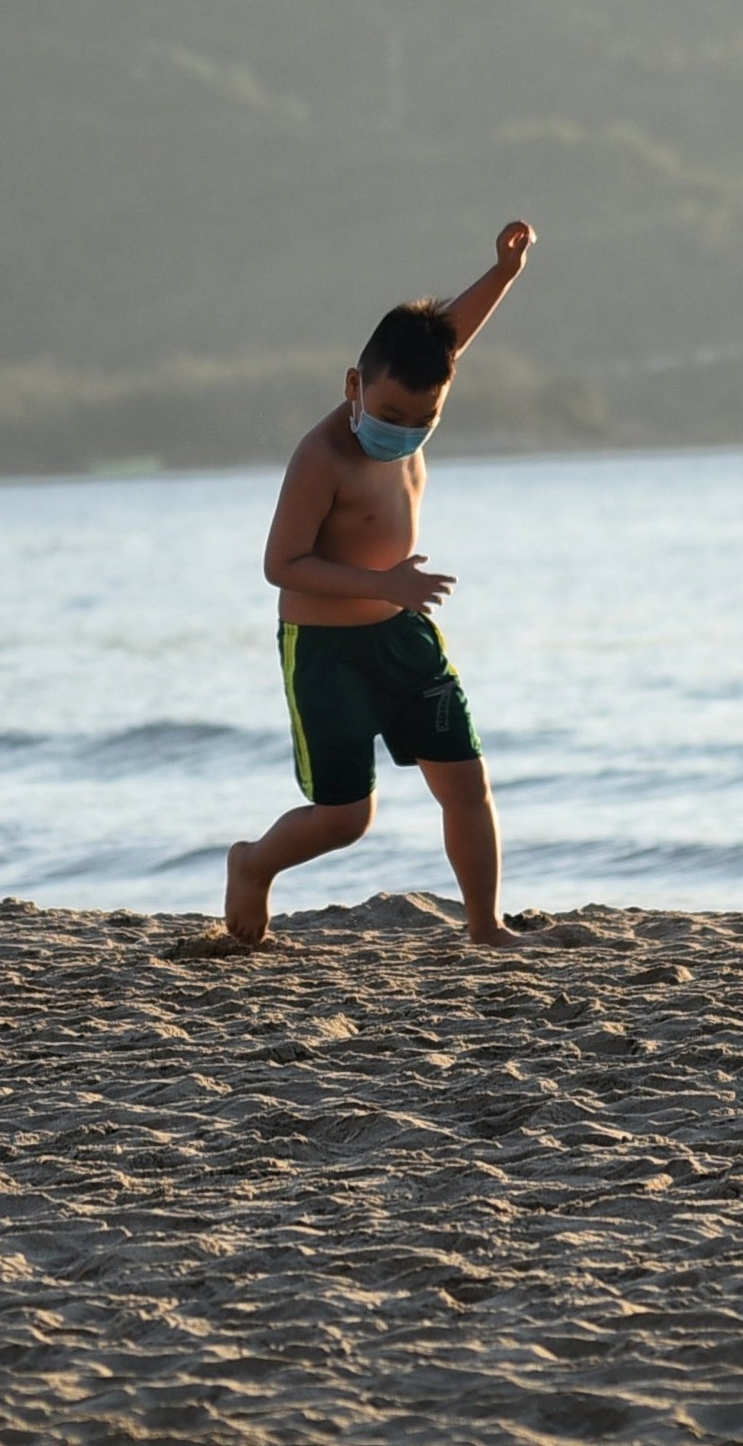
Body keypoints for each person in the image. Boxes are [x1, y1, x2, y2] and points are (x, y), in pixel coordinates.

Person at [223, 221, 546, 948]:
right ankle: (252, 864)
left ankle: (485, 926)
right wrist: (383, 582)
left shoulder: (420, 388)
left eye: (423, 419)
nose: (404, 430)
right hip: (328, 650)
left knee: (465, 783)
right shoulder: (324, 455)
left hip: (403, 634)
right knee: (347, 817)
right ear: (354, 387)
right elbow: (283, 564)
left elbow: (449, 338)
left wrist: (506, 272)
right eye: (392, 414)